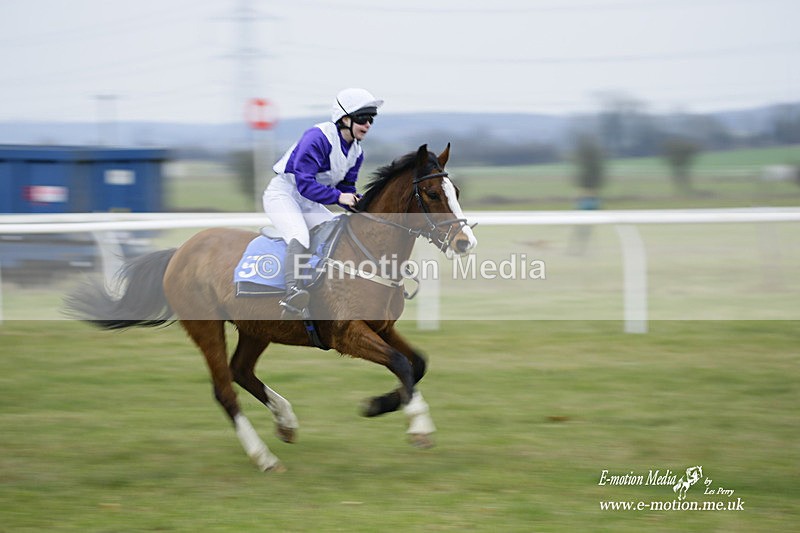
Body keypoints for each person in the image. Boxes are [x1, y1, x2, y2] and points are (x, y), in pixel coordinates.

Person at [263, 87, 384, 313]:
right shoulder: (318, 138)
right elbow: (305, 185)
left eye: (371, 119)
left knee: (336, 234)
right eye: (363, 118)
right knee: (299, 235)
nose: (368, 124)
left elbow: (345, 189)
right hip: (283, 195)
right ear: (345, 119)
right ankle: (292, 293)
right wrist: (339, 196)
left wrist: (360, 203)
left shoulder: (357, 153)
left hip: (309, 202)